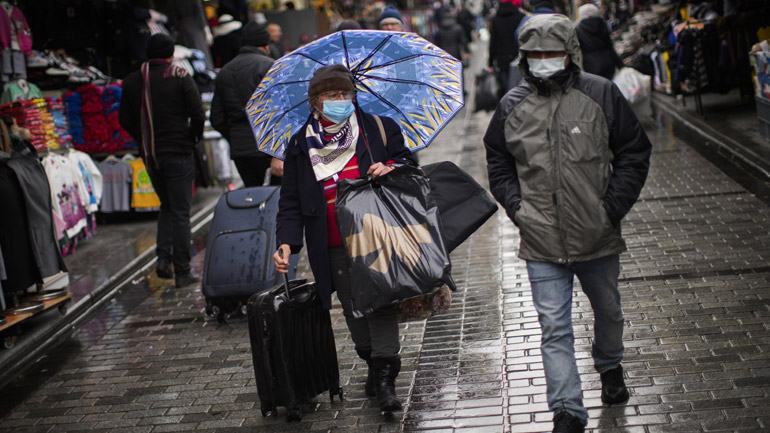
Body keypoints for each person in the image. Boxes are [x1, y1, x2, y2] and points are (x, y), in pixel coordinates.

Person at [483, 14, 651, 433]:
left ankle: (610, 365)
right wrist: (517, 208)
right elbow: (498, 160)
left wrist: (611, 208)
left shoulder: (601, 94)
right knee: (554, 327)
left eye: (551, 53)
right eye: (534, 54)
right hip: (541, 238)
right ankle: (567, 410)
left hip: (597, 233)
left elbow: (633, 151)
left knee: (608, 313)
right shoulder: (511, 105)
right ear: (523, 57)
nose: (543, 60)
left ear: (570, 53)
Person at [273, 64, 416, 413]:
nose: (341, 101)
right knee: (354, 309)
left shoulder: (376, 128)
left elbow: (409, 164)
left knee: (379, 304)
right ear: (315, 101)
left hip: (376, 235)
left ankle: (385, 379)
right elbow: (291, 200)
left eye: (345, 94)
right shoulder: (299, 145)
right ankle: (371, 361)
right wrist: (287, 243)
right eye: (332, 95)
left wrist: (390, 168)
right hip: (332, 242)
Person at [119, 33, 205, 288]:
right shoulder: (179, 76)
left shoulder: (134, 81)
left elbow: (124, 119)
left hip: (151, 154)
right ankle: (182, 270)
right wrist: (192, 137)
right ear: (170, 55)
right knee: (180, 211)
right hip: (179, 152)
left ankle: (162, 260)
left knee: (166, 206)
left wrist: (143, 136)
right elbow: (197, 113)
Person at [210, 22, 282, 187]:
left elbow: (217, 118)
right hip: (269, 147)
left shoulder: (225, 71)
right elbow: (280, 110)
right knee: (279, 200)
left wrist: (235, 137)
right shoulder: (270, 66)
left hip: (241, 150)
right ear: (265, 45)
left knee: (253, 199)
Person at [575, 4, 623, 80]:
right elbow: (610, 46)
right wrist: (620, 65)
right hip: (609, 63)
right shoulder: (603, 25)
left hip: (591, 65)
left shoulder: (578, 29)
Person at [487, 0, 525, 92]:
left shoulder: (496, 20)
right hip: (519, 58)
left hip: (502, 59)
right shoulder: (521, 17)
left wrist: (490, 62)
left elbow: (493, 42)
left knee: (507, 89)